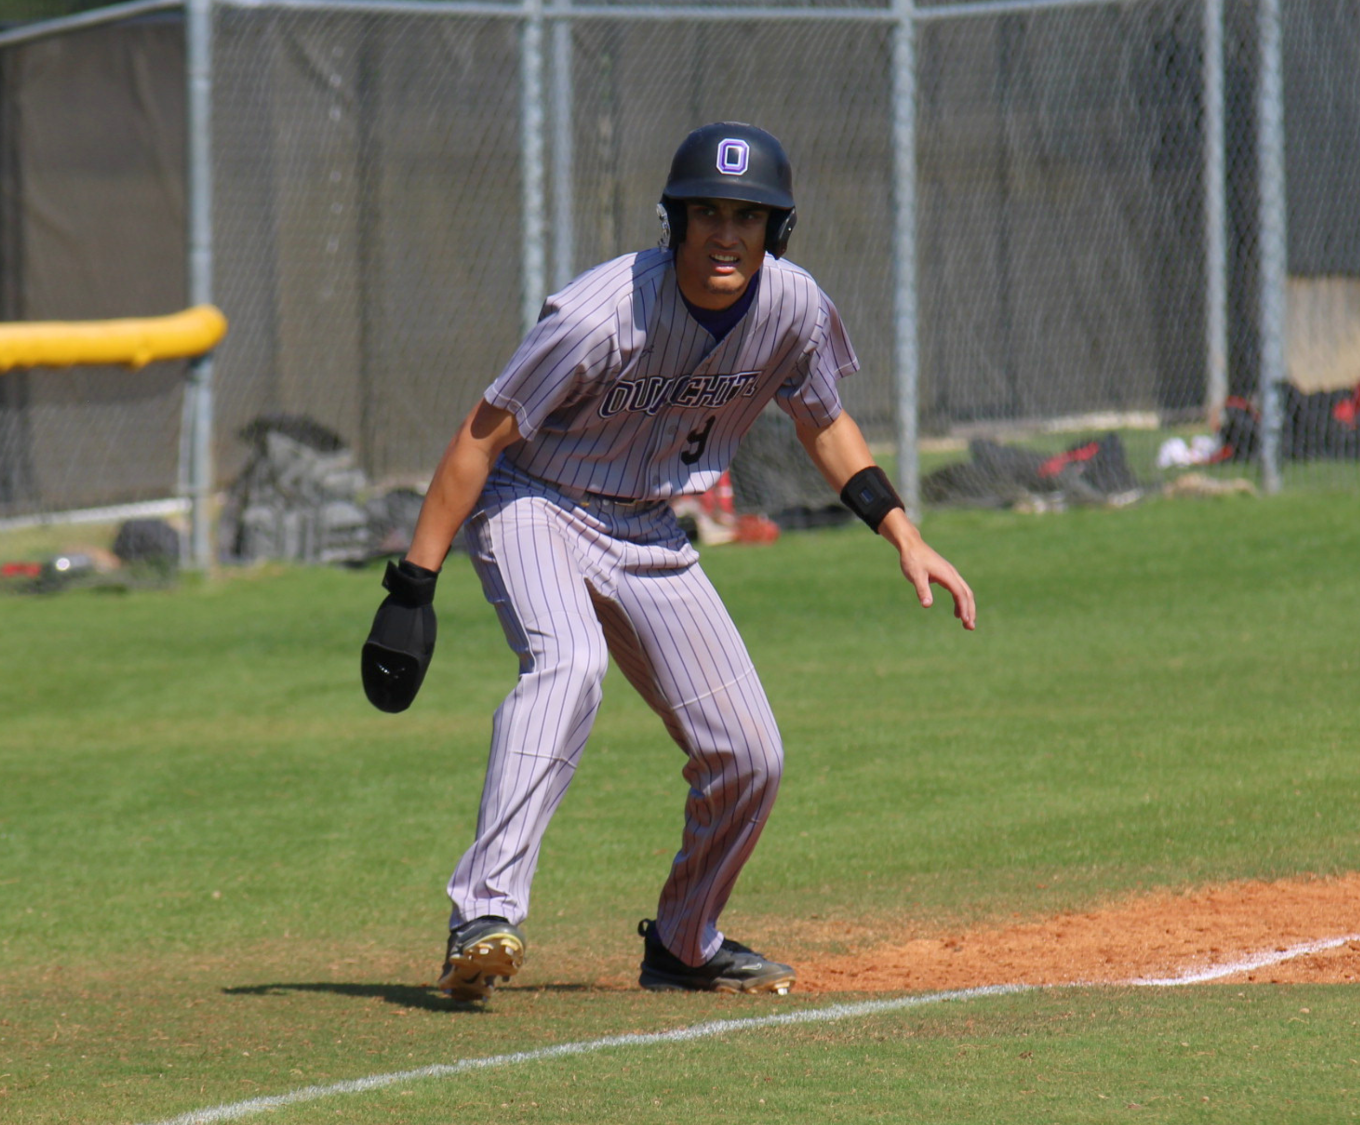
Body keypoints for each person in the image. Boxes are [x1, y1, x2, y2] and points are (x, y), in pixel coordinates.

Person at [360, 122, 976, 1001]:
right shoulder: (601, 314)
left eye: (749, 217)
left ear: (776, 231)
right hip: (536, 501)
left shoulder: (792, 306)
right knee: (568, 666)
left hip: (647, 526)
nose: (727, 234)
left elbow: (821, 418)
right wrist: (412, 585)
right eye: (708, 213)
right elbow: (482, 433)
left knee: (750, 752)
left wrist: (902, 530)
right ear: (678, 222)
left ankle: (685, 943)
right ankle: (484, 916)